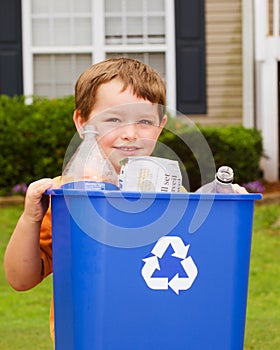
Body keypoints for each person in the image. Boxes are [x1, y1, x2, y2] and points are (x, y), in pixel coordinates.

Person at [4, 57, 247, 343]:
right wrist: (30, 218)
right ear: (83, 123)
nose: (130, 134)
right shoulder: (70, 196)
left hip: (164, 337)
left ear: (161, 126)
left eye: (144, 121)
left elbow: (205, 264)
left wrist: (225, 212)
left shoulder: (172, 195)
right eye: (113, 119)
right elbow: (20, 278)